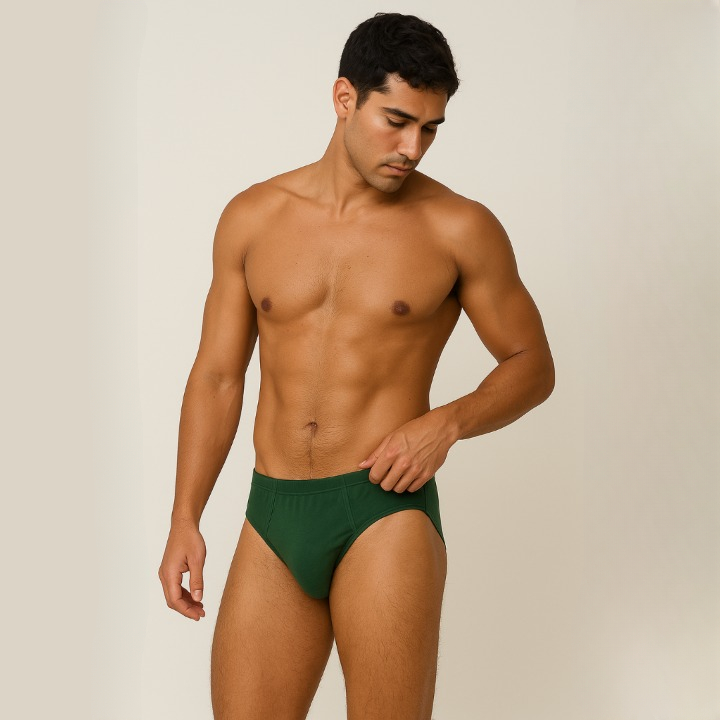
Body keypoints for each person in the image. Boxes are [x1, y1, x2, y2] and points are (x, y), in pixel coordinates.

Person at [158, 11, 554, 719]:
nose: (412, 148)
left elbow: (532, 363)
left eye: (430, 129)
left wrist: (446, 423)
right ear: (345, 98)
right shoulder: (253, 216)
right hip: (273, 512)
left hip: (383, 511)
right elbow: (218, 376)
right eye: (396, 121)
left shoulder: (459, 227)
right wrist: (185, 515)